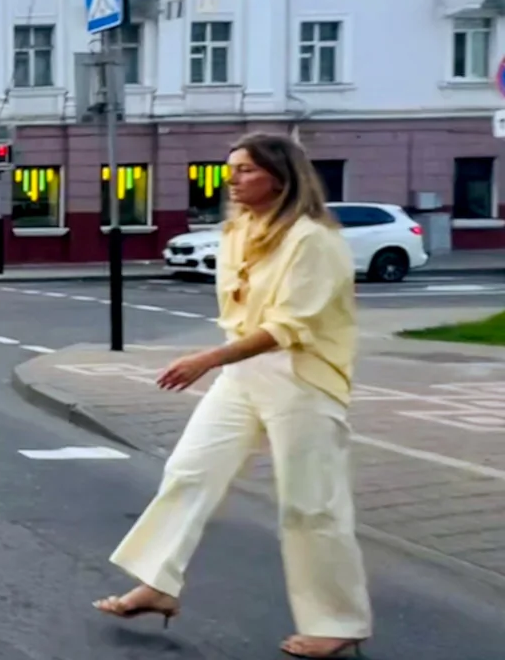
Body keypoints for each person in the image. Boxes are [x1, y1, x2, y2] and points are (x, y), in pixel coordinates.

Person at [94, 133, 369, 659]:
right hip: (245, 373)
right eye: (231, 169)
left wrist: (207, 359)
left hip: (304, 378)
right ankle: (158, 583)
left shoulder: (313, 240)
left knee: (311, 504)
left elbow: (291, 325)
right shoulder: (237, 230)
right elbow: (240, 311)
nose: (231, 179)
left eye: (245, 170)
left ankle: (339, 622)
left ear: (281, 177)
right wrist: (223, 359)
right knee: (189, 471)